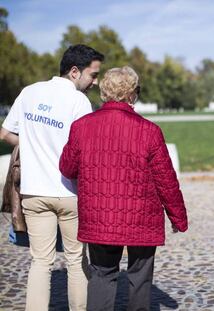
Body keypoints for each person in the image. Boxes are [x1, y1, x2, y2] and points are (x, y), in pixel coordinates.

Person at [59, 66, 188, 311]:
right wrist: (178, 217)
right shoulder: (149, 131)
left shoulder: (81, 127)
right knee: (140, 277)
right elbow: (166, 180)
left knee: (101, 275)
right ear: (132, 94)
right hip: (142, 217)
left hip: (99, 215)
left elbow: (67, 168)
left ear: (105, 93)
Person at [0, 44, 104, 310]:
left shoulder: (29, 92)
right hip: (69, 193)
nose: (95, 81)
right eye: (92, 75)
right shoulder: (79, 101)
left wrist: (31, 145)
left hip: (34, 193)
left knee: (40, 262)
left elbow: (5, 134)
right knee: (76, 260)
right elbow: (86, 149)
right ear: (74, 71)